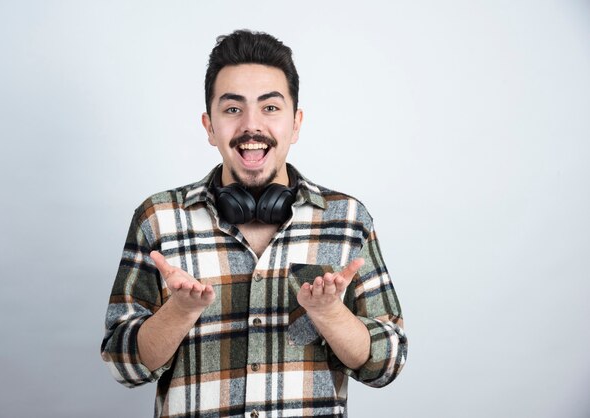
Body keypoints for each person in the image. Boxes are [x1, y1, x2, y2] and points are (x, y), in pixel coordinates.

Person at [101, 29, 407, 418]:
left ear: (295, 124)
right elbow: (121, 365)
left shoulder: (347, 219)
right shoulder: (159, 219)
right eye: (232, 109)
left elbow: (388, 363)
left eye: (270, 108)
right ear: (209, 126)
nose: (251, 125)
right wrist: (177, 312)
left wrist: (331, 314)